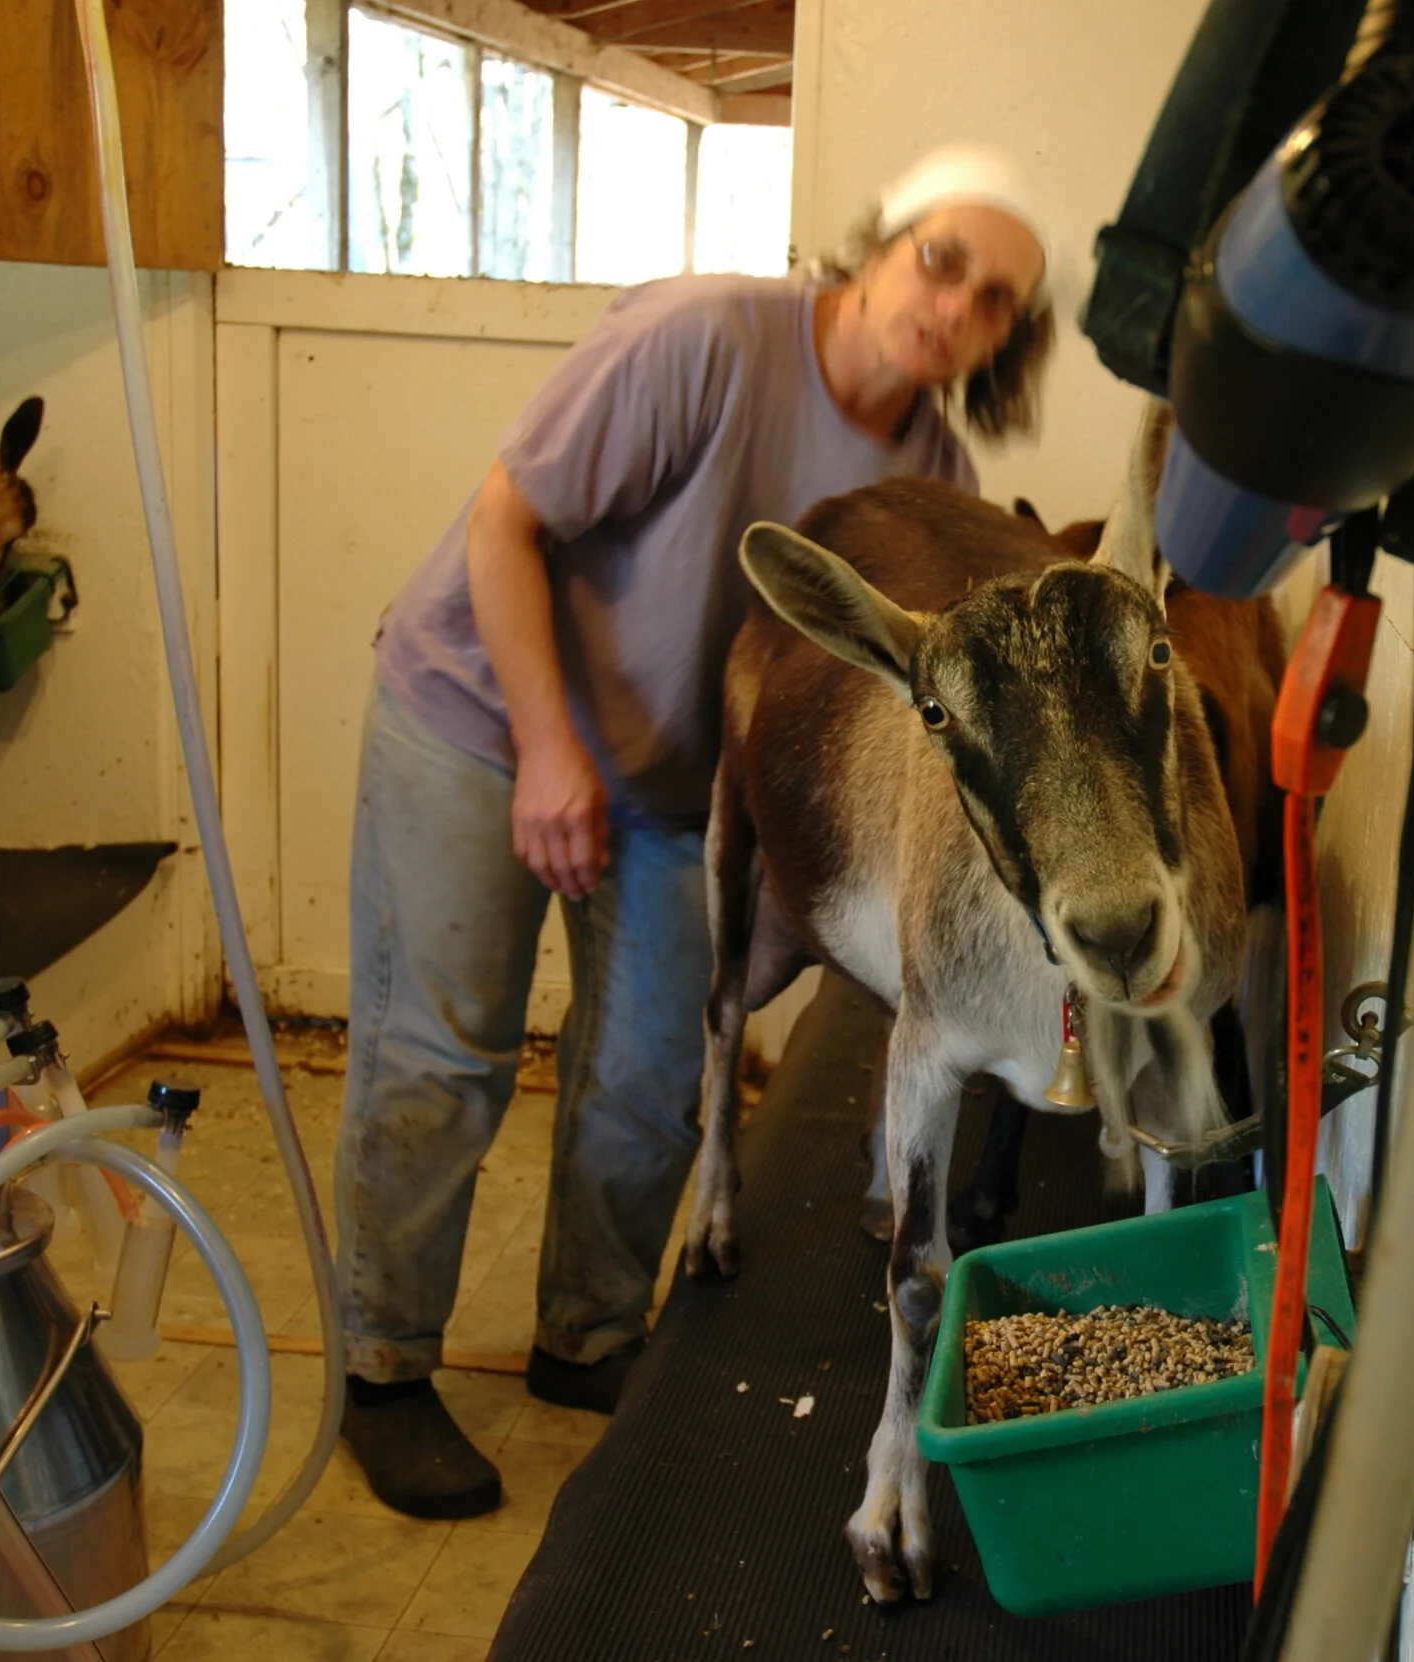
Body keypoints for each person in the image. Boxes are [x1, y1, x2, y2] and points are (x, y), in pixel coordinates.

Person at [333, 145, 1063, 1519]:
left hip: (674, 790)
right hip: (484, 719)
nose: (953, 307)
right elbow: (506, 520)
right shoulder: (705, 338)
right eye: (941, 261)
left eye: (995, 304)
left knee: (655, 1070)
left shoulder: (934, 475)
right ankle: (380, 1368)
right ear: (878, 243)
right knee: (446, 1049)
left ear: (1003, 344)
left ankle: (588, 1336)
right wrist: (549, 748)